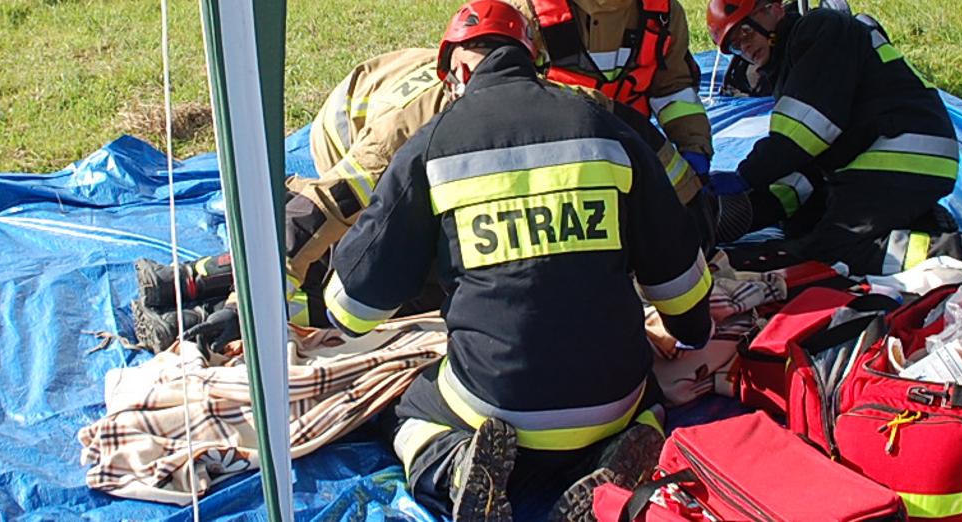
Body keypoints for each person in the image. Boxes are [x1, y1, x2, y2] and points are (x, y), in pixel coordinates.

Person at [324, 0, 712, 521]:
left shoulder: (434, 143)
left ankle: (456, 466)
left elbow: (353, 307)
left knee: (409, 411)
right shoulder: (602, 125)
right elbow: (679, 271)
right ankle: (624, 459)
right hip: (612, 398)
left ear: (460, 67)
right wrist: (691, 329)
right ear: (530, 58)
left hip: (494, 406)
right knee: (651, 405)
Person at [133, 42, 710, 352]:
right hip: (347, 123)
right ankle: (201, 295)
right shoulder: (415, 125)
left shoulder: (557, 99)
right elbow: (328, 206)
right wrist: (255, 311)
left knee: (425, 276)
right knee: (360, 268)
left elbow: (642, 141)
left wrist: (700, 197)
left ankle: (194, 288)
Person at [702, 0, 961, 276]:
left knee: (837, 249)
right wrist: (747, 210)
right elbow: (806, 163)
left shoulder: (819, 31)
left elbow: (801, 136)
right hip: (880, 154)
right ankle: (919, 223)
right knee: (802, 224)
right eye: (735, 47)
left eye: (745, 32)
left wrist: (745, 176)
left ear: (772, 9)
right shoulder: (793, 61)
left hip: (904, 155)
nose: (745, 48)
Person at [500, 0, 713, 184]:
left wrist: (695, 148)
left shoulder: (661, 12)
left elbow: (673, 89)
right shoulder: (533, 10)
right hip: (551, 159)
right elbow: (500, 98)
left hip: (630, 150)